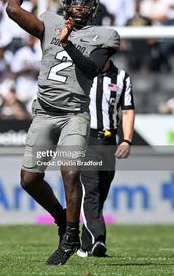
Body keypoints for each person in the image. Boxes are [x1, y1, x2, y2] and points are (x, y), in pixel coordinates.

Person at [6, 0, 120, 265]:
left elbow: (92, 69)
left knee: (70, 172)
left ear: (93, 7)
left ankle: (71, 237)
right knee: (29, 180)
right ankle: (60, 219)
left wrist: (68, 43)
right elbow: (13, 11)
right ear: (66, 4)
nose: (79, 8)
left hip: (74, 114)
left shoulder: (105, 35)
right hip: (45, 111)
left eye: (85, 3)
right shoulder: (50, 22)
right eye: (75, 2)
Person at [76, 58, 135, 258]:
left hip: (109, 140)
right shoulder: (83, 72)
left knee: (101, 191)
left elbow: (127, 111)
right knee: (91, 189)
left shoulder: (122, 77)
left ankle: (85, 247)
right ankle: (99, 238)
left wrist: (126, 140)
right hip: (87, 138)